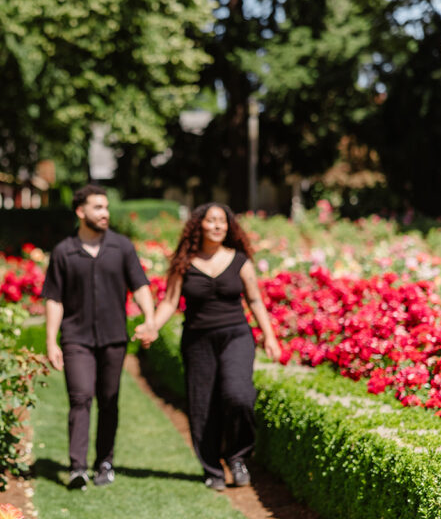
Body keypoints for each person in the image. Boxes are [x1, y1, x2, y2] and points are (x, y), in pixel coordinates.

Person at [134, 203, 281, 491]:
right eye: (211, 221)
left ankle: (237, 457)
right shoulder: (184, 263)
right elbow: (170, 301)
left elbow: (254, 300)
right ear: (198, 225)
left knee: (238, 395)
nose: (217, 226)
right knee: (203, 405)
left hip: (236, 336)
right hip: (198, 341)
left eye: (222, 221)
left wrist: (269, 336)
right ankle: (212, 468)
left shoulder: (240, 261)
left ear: (229, 227)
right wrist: (152, 326)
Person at [42, 185, 155, 490]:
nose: (105, 213)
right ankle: (77, 467)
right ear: (81, 212)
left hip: (113, 338)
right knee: (80, 398)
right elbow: (54, 298)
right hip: (76, 337)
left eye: (106, 208)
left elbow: (141, 286)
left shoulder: (122, 247)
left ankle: (104, 462)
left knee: (109, 400)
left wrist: (150, 319)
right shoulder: (64, 251)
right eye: (98, 208)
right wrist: (52, 340)